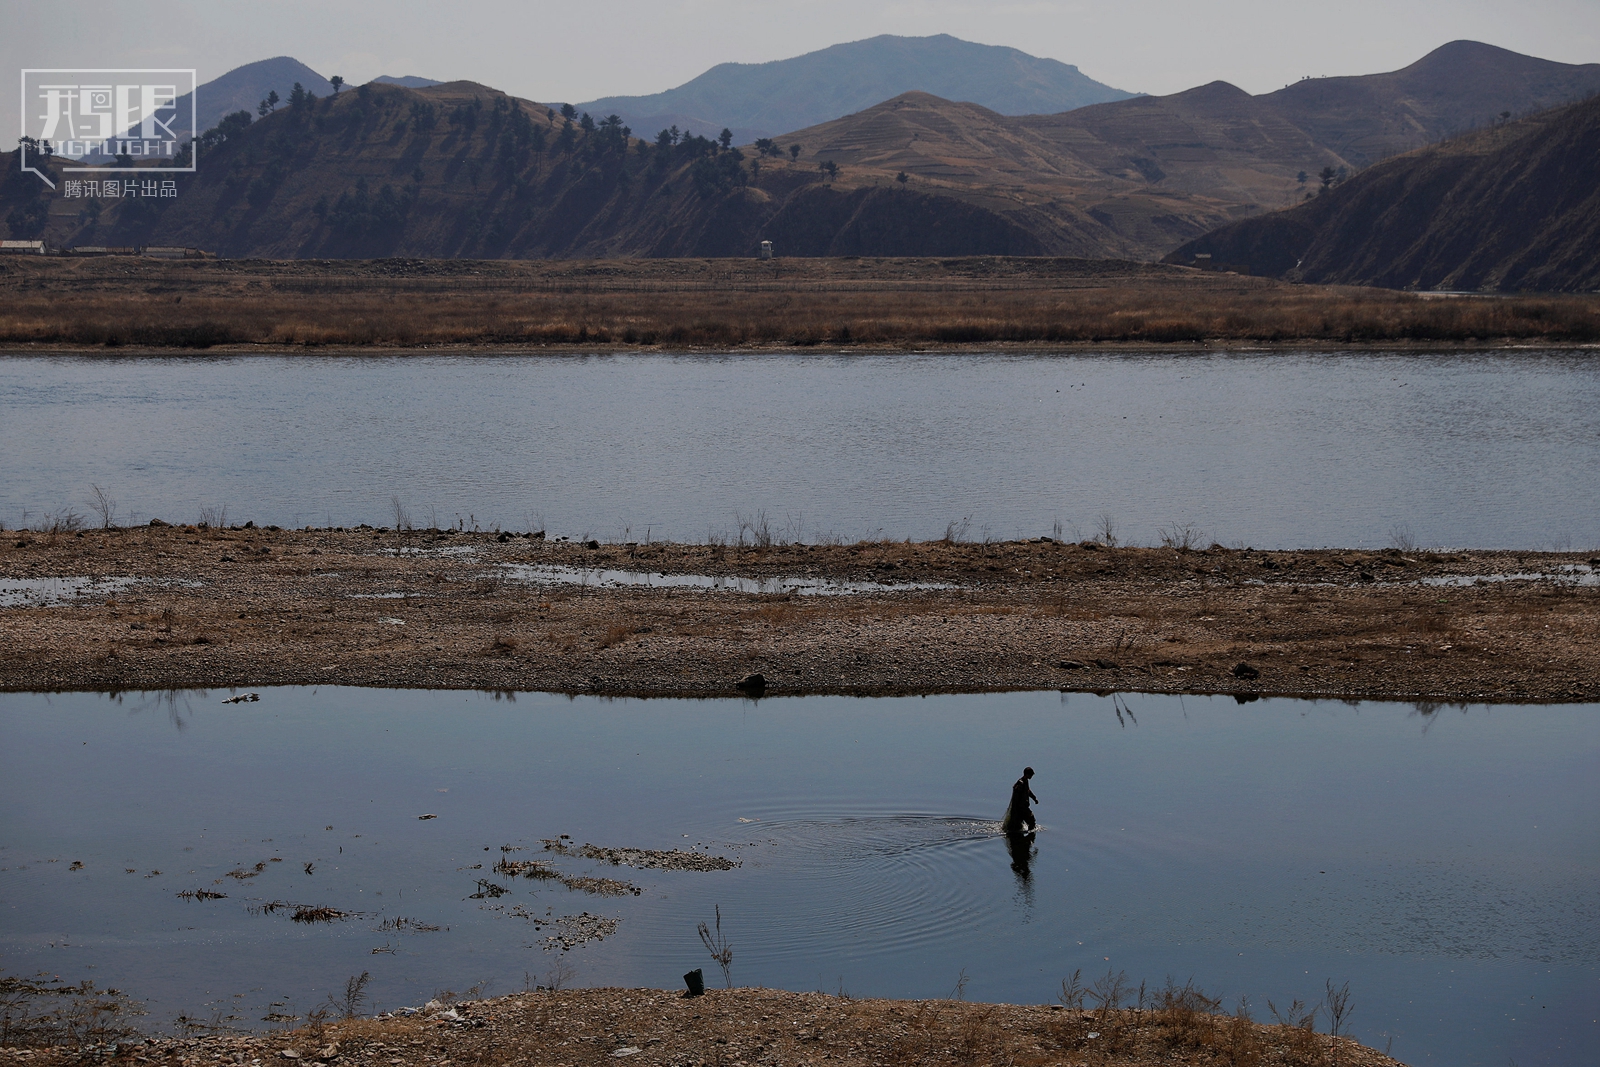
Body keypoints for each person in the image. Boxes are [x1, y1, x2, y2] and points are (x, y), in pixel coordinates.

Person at [1002, 766, 1037, 835]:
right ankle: (1030, 837)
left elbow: (1027, 791)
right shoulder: (1021, 783)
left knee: (1018, 825)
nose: (1032, 776)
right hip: (1021, 807)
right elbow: (1016, 797)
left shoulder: (1025, 781)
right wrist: (1015, 809)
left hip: (1022, 806)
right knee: (1031, 821)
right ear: (1027, 774)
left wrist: (1034, 798)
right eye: (1031, 775)